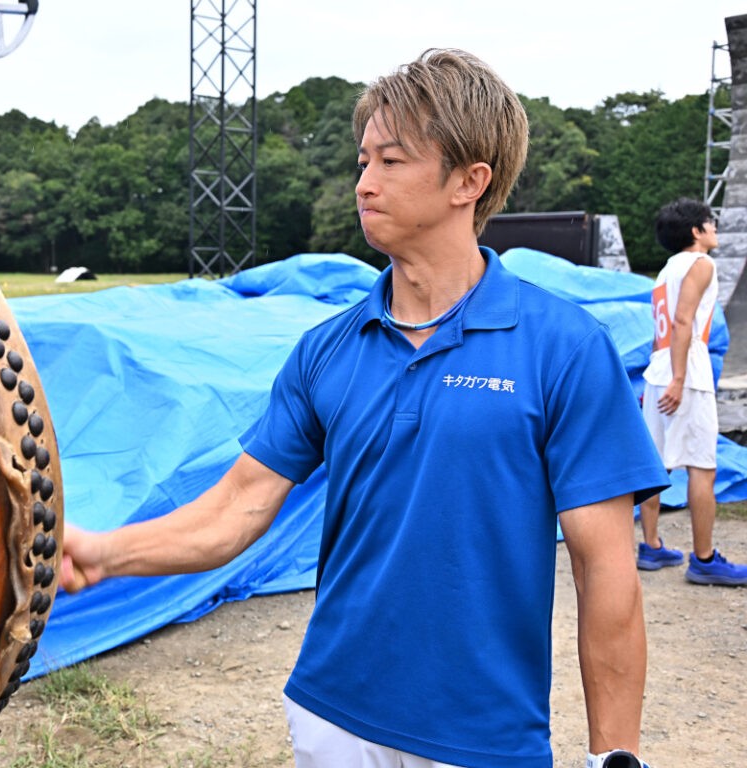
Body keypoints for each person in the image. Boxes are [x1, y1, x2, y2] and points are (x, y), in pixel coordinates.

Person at [61, 49, 668, 768]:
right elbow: (237, 509)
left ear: (468, 182)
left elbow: (607, 572)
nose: (364, 183)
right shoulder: (328, 349)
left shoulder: (562, 348)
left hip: (481, 738)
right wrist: (104, 551)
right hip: (331, 716)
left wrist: (614, 758)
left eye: (391, 161)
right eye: (363, 160)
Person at [636, 198, 747, 585]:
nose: (715, 228)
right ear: (696, 232)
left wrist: (661, 376)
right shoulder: (701, 263)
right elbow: (684, 321)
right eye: (711, 223)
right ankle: (704, 560)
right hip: (687, 370)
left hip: (659, 368)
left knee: (655, 463)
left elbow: (660, 331)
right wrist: (681, 379)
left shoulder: (666, 271)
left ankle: (650, 545)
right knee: (703, 466)